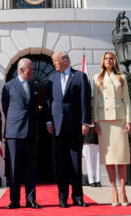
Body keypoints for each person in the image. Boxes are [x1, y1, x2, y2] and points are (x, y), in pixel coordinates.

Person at [46, 51, 93, 208]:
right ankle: (62, 197)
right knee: (61, 163)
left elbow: (85, 100)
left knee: (75, 162)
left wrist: (85, 122)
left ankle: (78, 197)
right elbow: (48, 101)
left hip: (75, 127)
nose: (54, 64)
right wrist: (48, 121)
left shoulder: (80, 76)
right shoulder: (51, 79)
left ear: (65, 60)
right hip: (57, 127)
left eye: (55, 61)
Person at [2, 58, 46, 209]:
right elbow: (5, 107)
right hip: (14, 132)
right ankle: (14, 200)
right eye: (30, 69)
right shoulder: (9, 86)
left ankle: (30, 199)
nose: (33, 71)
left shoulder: (33, 86)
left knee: (31, 167)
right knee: (14, 168)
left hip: (31, 132)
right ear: (21, 70)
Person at [93, 51, 131, 207]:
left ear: (114, 61)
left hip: (120, 119)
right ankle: (114, 190)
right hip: (104, 121)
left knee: (121, 157)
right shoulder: (97, 78)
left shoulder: (122, 78)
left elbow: (127, 100)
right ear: (103, 61)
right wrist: (95, 121)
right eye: (106, 59)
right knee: (108, 158)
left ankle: (123, 190)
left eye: (111, 58)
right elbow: (95, 101)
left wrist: (129, 121)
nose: (108, 60)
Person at [81, 121, 101, 187]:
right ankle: (91, 180)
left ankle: (97, 180)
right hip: (87, 138)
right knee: (89, 161)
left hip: (96, 137)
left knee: (97, 160)